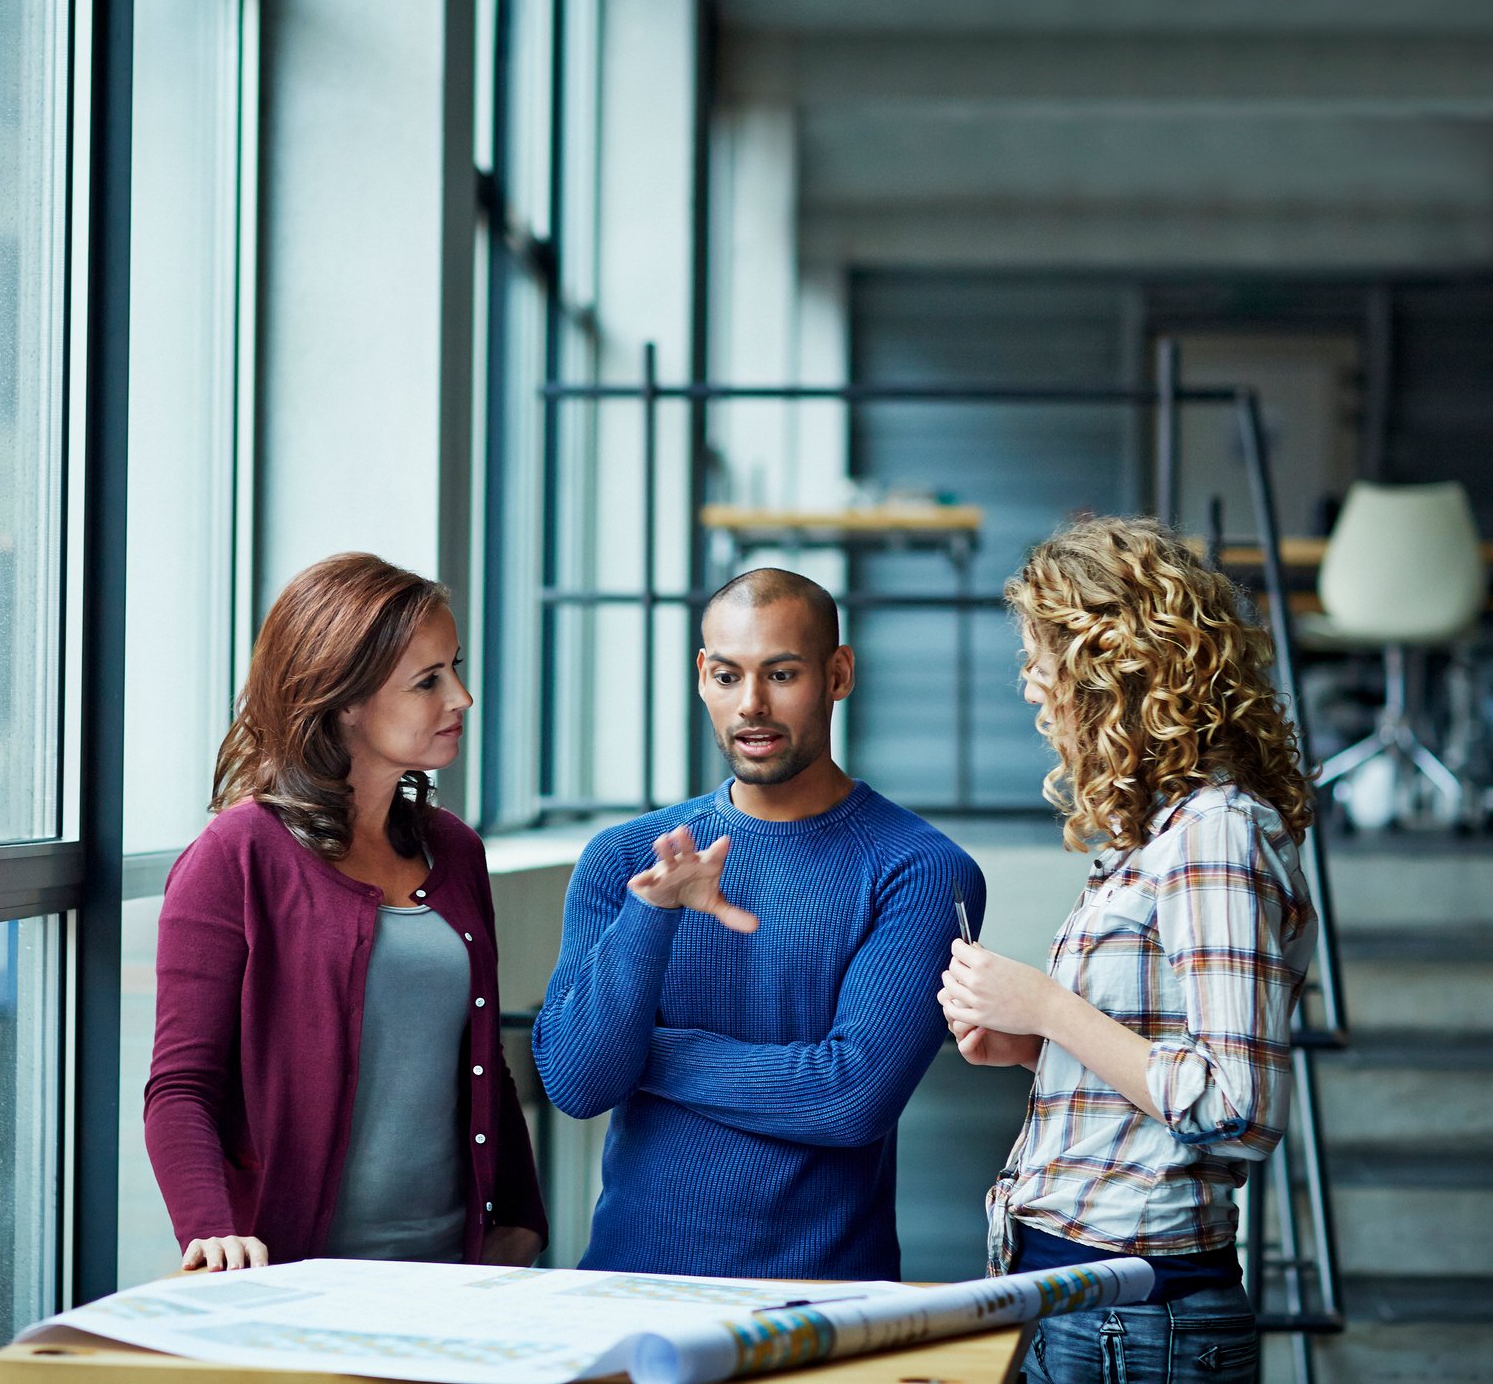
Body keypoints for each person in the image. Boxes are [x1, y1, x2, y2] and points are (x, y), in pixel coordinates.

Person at [939, 516, 1316, 1384]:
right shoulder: (1152, 837)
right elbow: (1159, 1062)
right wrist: (1031, 1046)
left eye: (1041, 654)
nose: (1028, 681)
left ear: (1110, 667)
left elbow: (1238, 1105)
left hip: (1136, 1320)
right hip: (1080, 1300)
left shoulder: (1215, 832)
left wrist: (1048, 1005)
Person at [532, 568, 984, 1280]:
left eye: (780, 673)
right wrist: (651, 915)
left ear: (837, 673)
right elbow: (581, 1083)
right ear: (700, 676)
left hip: (825, 1305)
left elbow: (848, 1099)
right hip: (625, 1287)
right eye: (725, 675)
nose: (750, 705)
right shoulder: (625, 858)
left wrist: (644, 1055)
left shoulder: (921, 870)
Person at [145, 553, 547, 1272]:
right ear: (342, 700)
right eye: (427, 681)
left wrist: (519, 1218)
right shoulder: (235, 855)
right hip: (294, 1276)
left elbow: (482, 1062)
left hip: (456, 1272)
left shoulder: (453, 850)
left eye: (454, 666)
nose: (461, 697)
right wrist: (207, 1231)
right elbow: (182, 1087)